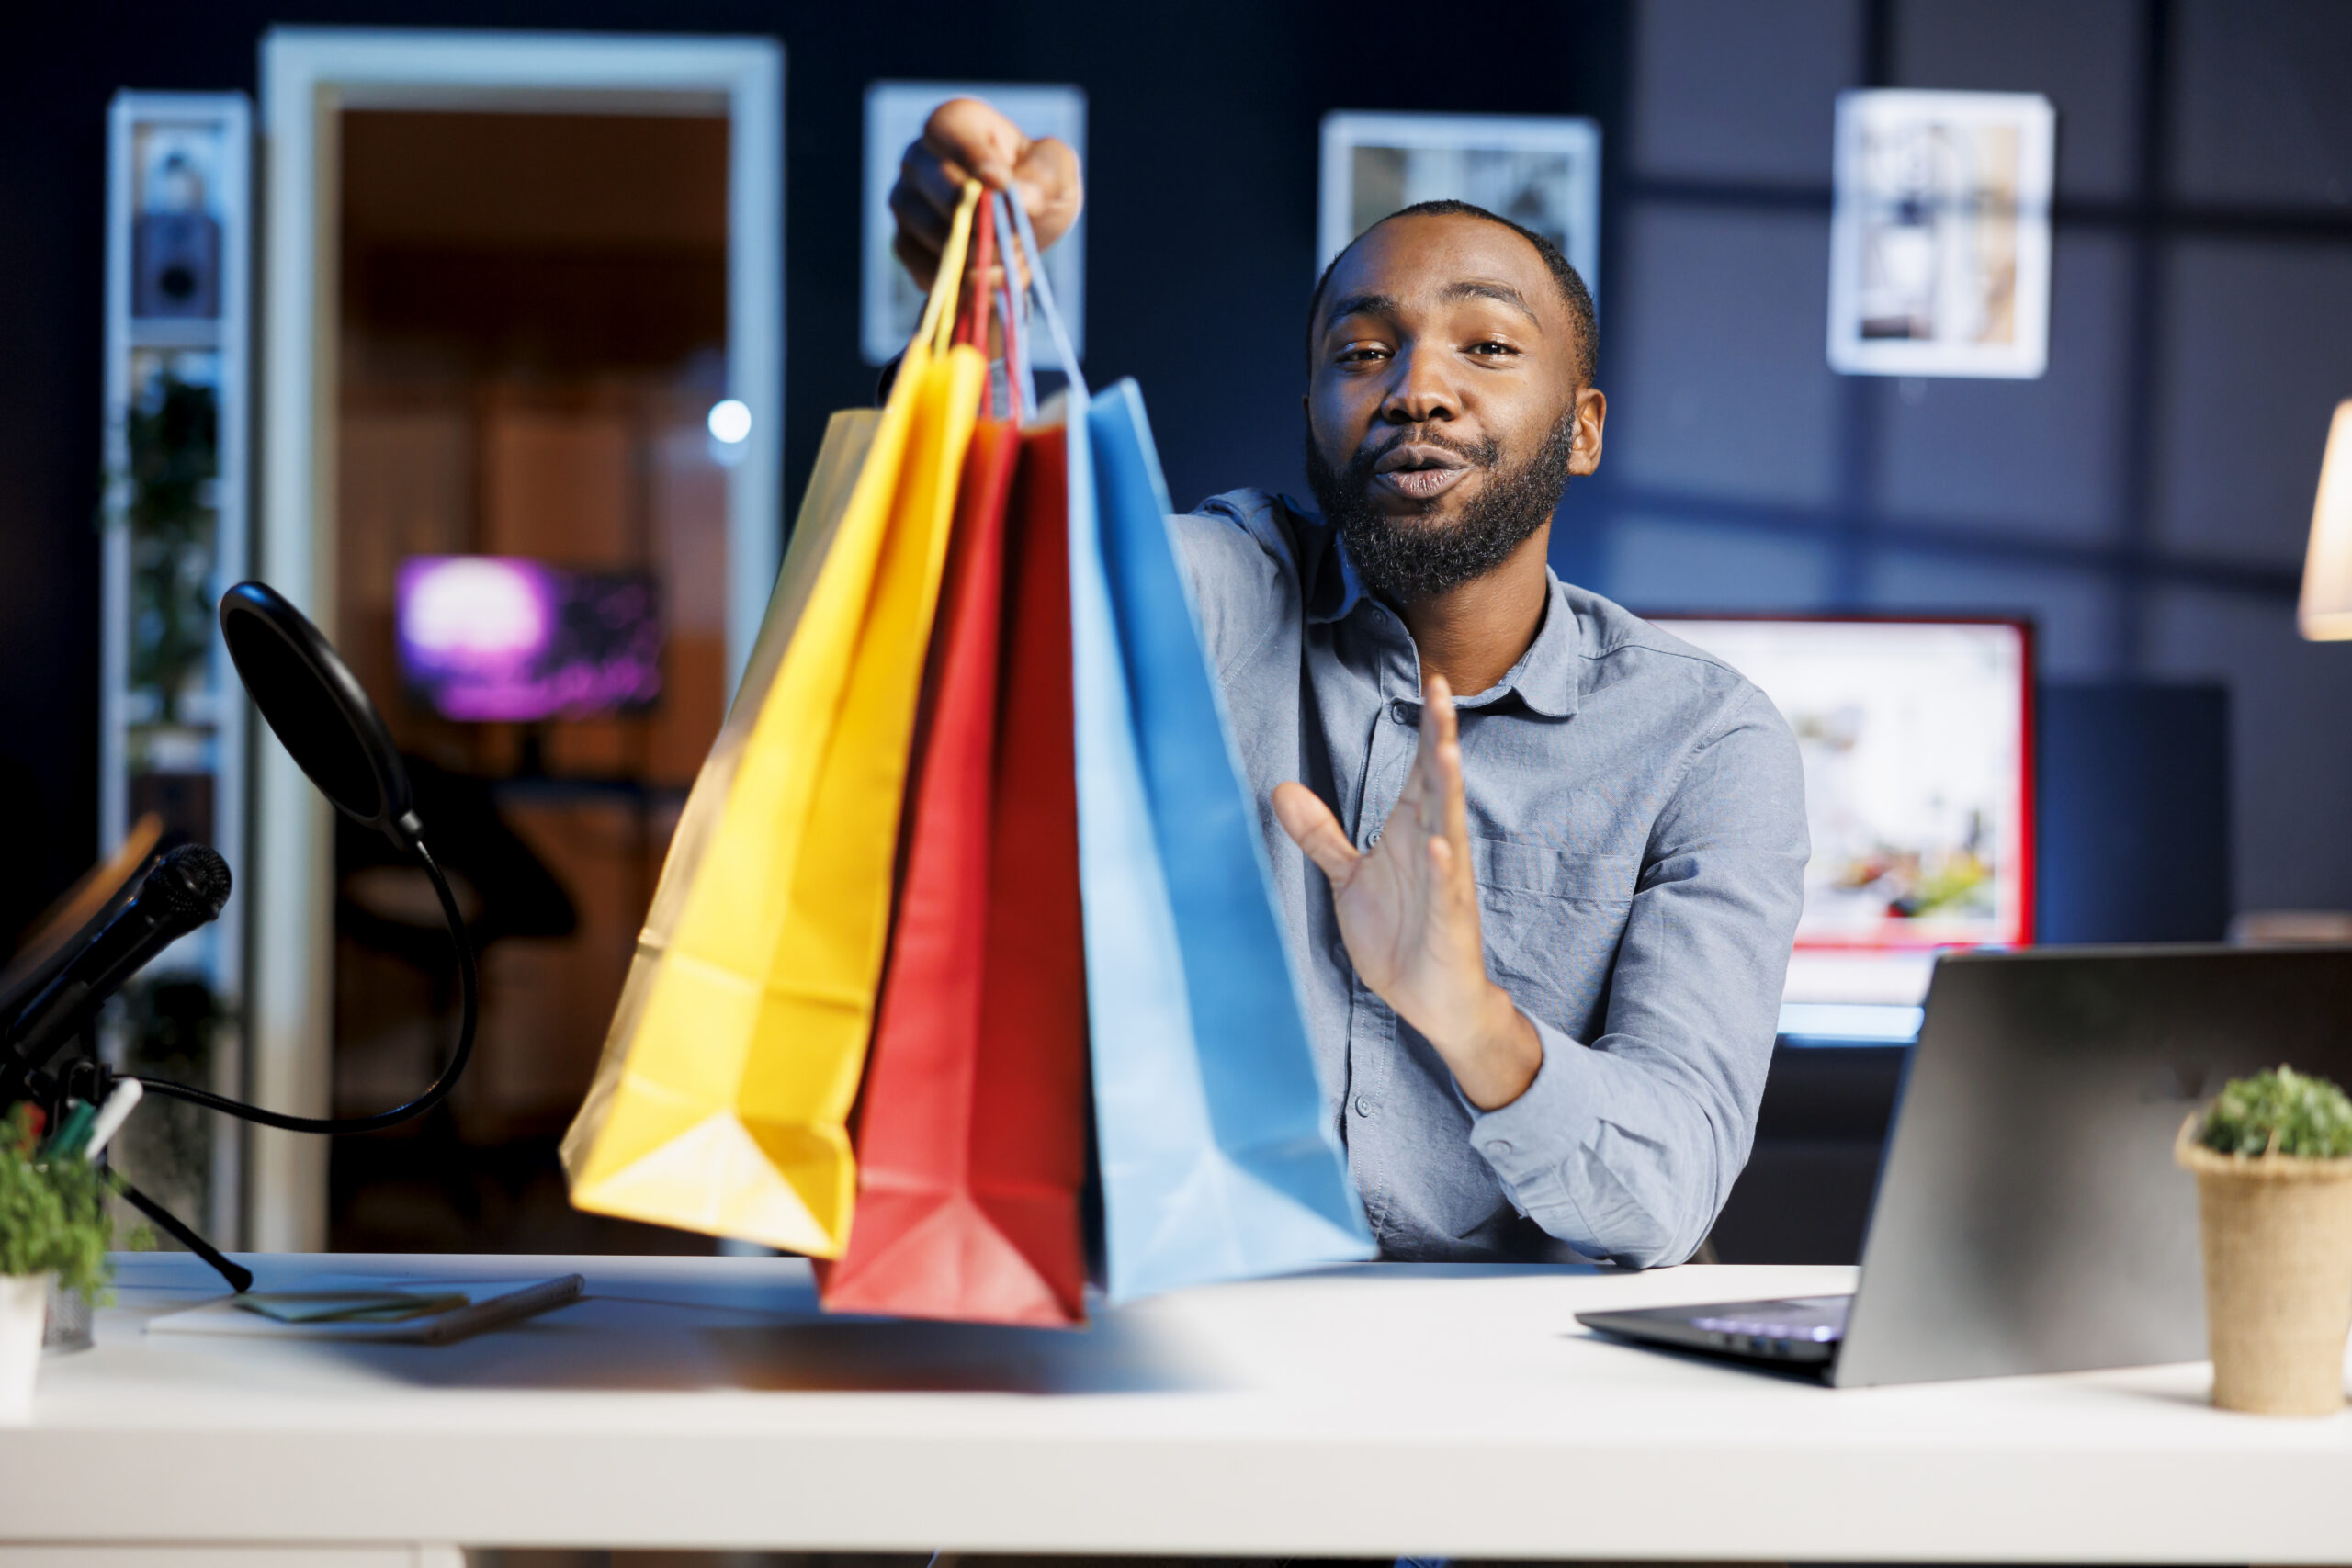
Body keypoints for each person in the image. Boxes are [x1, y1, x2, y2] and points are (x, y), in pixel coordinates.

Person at [891, 99, 1807, 1269]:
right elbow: (1008, 574)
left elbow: (1665, 1191)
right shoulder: (1225, 589)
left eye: (1486, 345)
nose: (1416, 389)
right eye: (1362, 353)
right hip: (1174, 1320)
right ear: (1314, 418)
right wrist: (968, 307)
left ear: (1581, 431)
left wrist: (1465, 1014)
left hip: (1506, 1374)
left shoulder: (1703, 741)